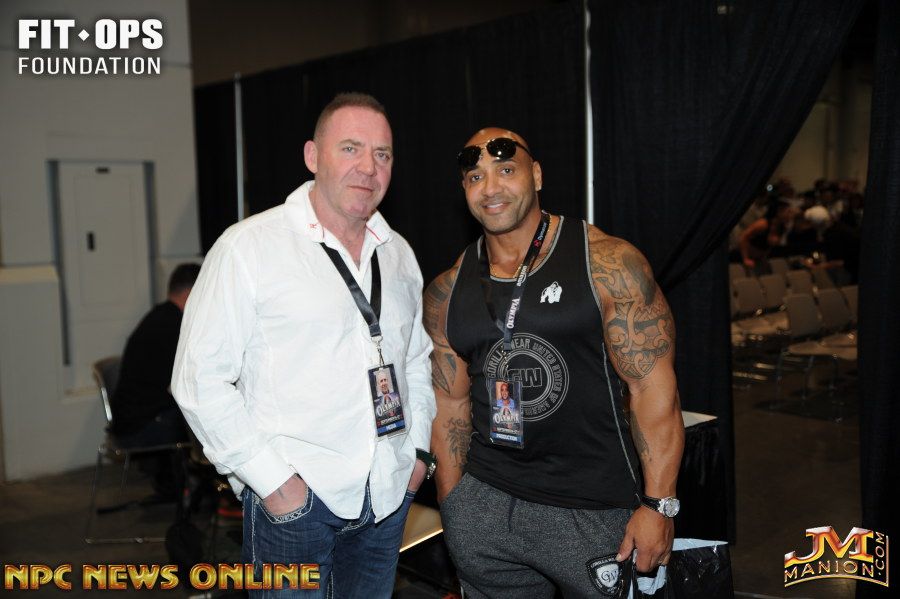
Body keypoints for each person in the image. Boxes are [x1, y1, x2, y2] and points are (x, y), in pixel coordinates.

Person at [172, 93, 436, 598]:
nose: (368, 167)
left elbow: (415, 361)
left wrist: (417, 455)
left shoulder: (398, 253)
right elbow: (198, 380)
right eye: (351, 148)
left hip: (387, 493)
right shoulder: (249, 246)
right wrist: (275, 484)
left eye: (382, 154)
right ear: (313, 156)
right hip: (296, 506)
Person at [424, 128, 685, 597]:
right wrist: (455, 504)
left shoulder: (608, 262)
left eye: (506, 170)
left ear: (537, 175)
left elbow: (653, 389)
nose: (491, 187)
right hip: (486, 506)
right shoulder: (447, 290)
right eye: (475, 177)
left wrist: (658, 505)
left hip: (595, 511)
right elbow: (449, 406)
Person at [110, 262, 200, 496]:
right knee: (206, 419)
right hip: (141, 427)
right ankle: (202, 491)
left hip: (131, 419)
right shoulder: (174, 326)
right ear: (193, 293)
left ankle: (183, 485)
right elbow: (188, 384)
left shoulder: (160, 316)